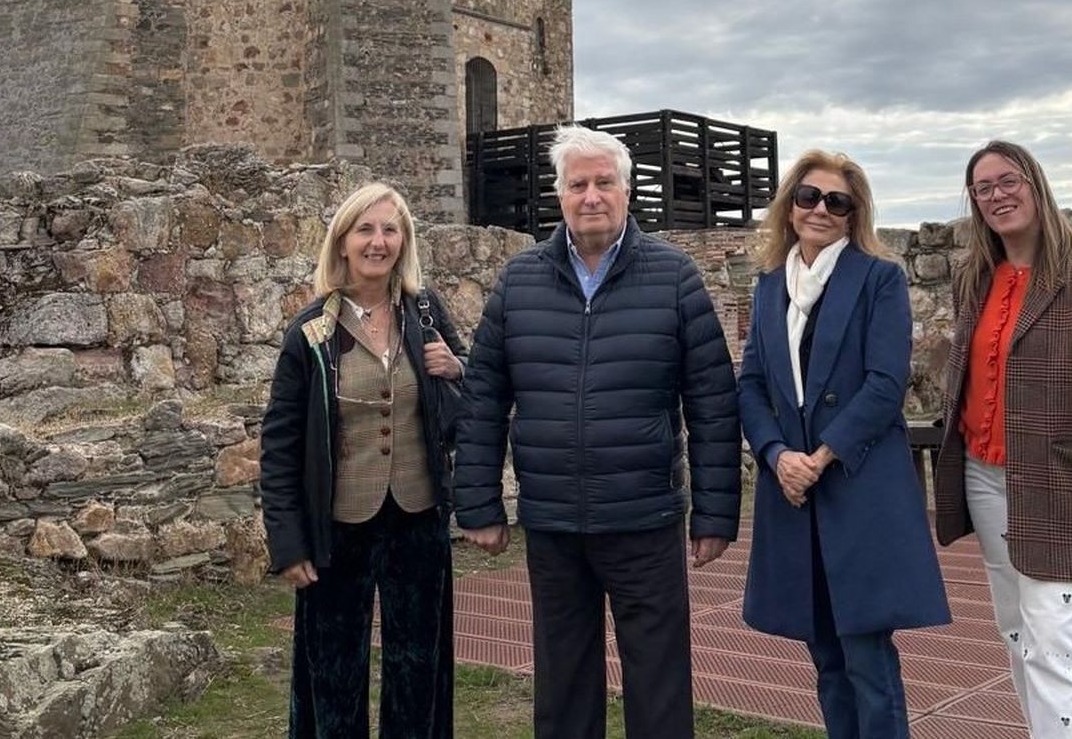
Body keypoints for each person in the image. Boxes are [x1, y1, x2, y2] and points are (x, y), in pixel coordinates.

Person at [454, 124, 741, 739]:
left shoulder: (675, 277)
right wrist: (477, 502)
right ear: (559, 195)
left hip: (644, 518)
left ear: (626, 190)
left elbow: (713, 402)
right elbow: (483, 398)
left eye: (604, 183)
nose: (591, 196)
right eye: (578, 184)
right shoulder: (519, 280)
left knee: (659, 683)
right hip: (554, 520)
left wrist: (715, 514)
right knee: (562, 683)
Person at [933, 140, 1072, 739]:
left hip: (1060, 491)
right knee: (1020, 638)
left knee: (1060, 646)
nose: (998, 195)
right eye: (984, 188)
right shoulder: (975, 280)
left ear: (1036, 184)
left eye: (1009, 181)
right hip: (985, 478)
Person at [737, 150, 951, 739]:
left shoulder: (877, 279)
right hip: (796, 493)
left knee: (868, 661)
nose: (821, 210)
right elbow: (752, 383)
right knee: (826, 659)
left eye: (838, 201)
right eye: (809, 197)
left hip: (855, 484)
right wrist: (778, 456)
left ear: (854, 214)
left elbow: (886, 384)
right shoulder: (768, 287)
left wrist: (821, 457)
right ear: (790, 205)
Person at [260, 181, 468, 739]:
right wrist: (289, 543)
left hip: (417, 523)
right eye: (366, 230)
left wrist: (457, 371)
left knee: (417, 673)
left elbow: (467, 406)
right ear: (343, 241)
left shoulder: (425, 314)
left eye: (390, 230)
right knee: (332, 678)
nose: (379, 242)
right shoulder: (311, 332)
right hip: (337, 532)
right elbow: (279, 447)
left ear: (405, 241)